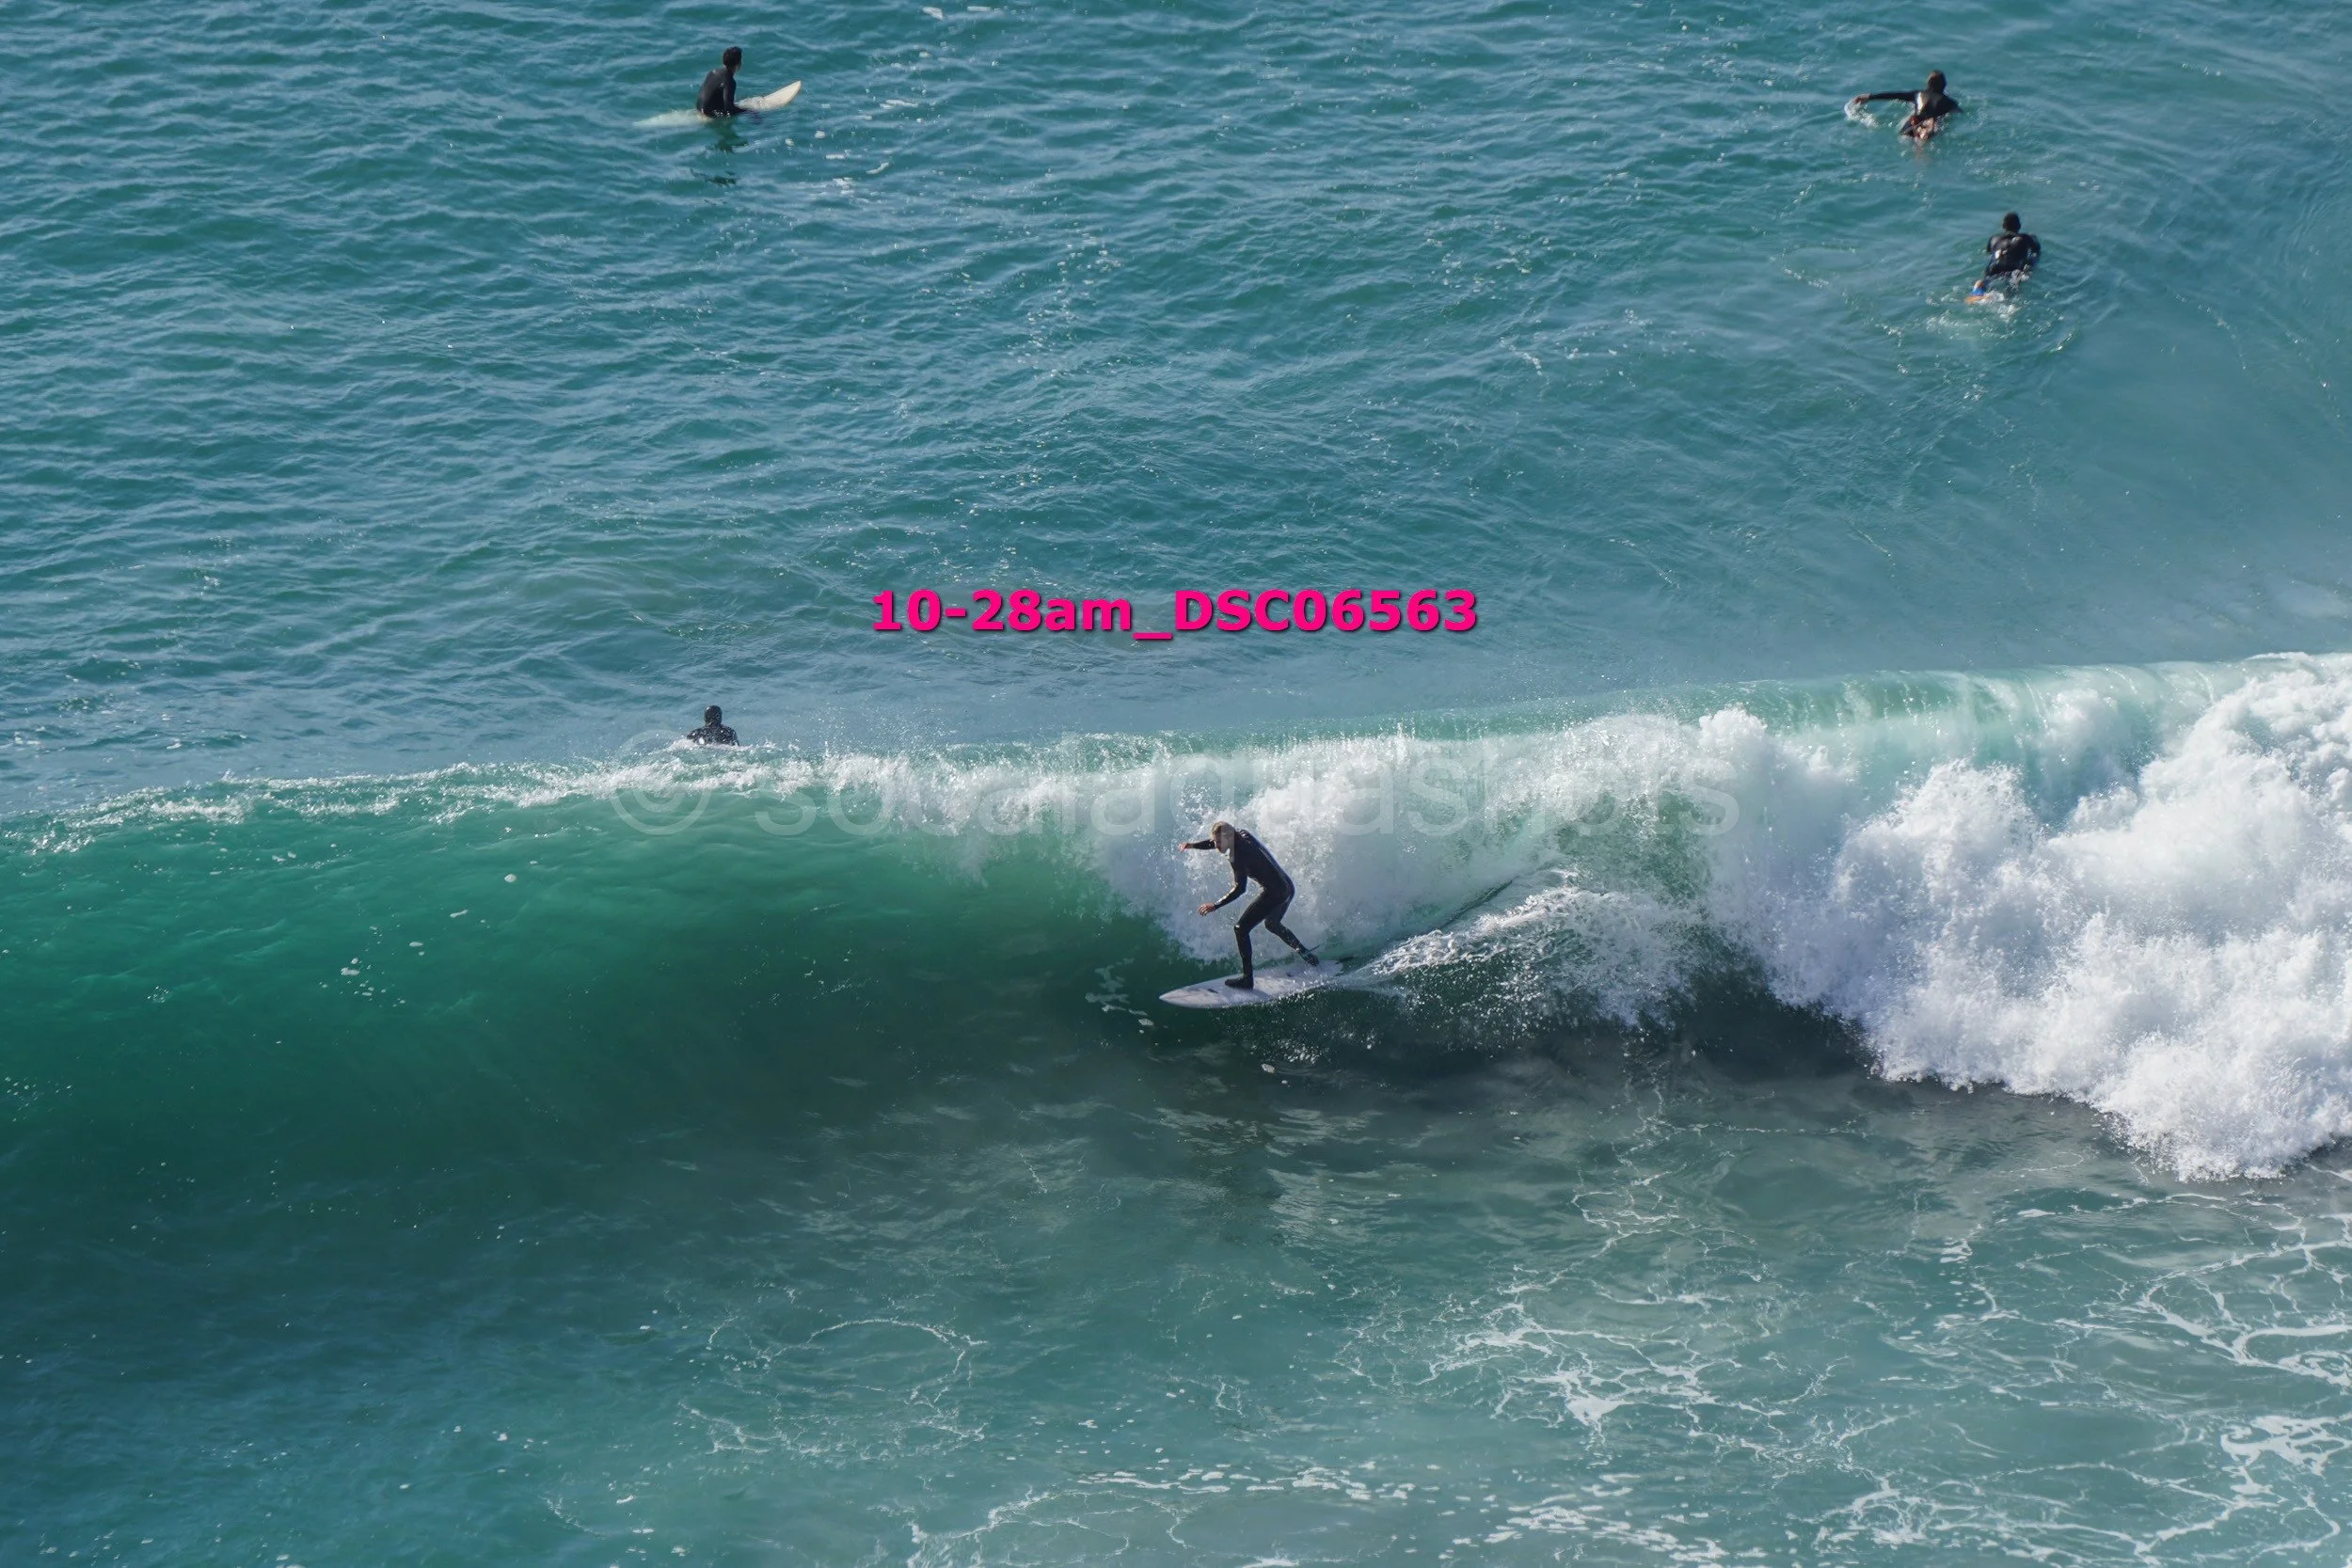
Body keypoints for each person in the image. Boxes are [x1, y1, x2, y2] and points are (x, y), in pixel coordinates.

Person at [1182, 822, 1317, 989]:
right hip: (1287, 887)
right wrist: (1192, 845)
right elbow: (1217, 841)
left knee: (1241, 928)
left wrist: (1216, 905)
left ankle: (1247, 979)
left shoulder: (1237, 856)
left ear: (1229, 839)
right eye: (1214, 842)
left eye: (1219, 842)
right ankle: (1308, 956)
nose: (1216, 846)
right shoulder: (1242, 834)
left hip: (1275, 893)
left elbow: (1240, 889)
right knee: (1272, 924)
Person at [1850, 71, 1960, 140]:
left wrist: (1869, 97)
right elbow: (1959, 113)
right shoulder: (1950, 102)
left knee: (1913, 128)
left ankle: (1920, 132)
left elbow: (1894, 95)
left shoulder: (1917, 94)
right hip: (1932, 124)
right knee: (1931, 126)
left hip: (1913, 122)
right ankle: (1925, 133)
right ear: (1944, 85)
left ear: (1928, 84)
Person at [1972, 213, 2041, 297]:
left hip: (1995, 267)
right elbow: (2036, 250)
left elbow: (1989, 252)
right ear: (2019, 225)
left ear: (2003, 226)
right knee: (2017, 280)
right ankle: (2006, 299)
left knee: (1984, 281)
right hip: (2014, 266)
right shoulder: (2027, 238)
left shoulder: (1993, 239)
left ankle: (1977, 292)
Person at [696, 47, 745, 118]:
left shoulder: (713, 72)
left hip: (699, 108)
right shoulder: (729, 81)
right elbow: (729, 108)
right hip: (709, 114)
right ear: (739, 63)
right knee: (750, 112)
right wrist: (747, 112)